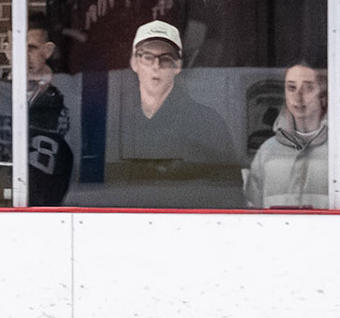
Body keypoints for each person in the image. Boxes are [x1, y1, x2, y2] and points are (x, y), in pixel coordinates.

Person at [97, 19, 243, 208]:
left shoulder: (207, 123)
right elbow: (105, 193)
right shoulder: (116, 123)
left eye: (165, 59)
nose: (156, 65)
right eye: (148, 57)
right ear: (134, 63)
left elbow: (231, 195)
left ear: (177, 66)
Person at [0, 12, 73, 207]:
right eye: (17, 48)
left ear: (48, 50)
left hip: (53, 212)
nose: (23, 56)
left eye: (31, 48)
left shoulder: (68, 96)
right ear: (7, 50)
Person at [245, 62, 340, 210]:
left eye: (308, 88)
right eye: (291, 87)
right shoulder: (268, 150)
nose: (298, 97)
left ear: (324, 94)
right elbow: (251, 212)